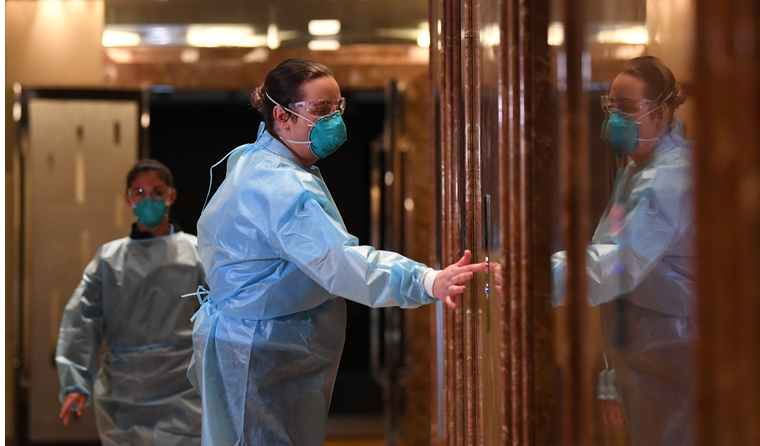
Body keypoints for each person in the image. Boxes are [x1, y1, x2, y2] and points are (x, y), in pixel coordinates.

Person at [188, 58, 486, 446]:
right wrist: (426, 280)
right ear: (282, 116)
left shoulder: (257, 159)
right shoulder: (281, 185)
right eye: (321, 109)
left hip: (250, 343)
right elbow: (338, 261)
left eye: (338, 107)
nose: (334, 120)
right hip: (260, 352)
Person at [551, 56, 695, 446]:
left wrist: (535, 279)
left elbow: (618, 263)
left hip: (676, 358)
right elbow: (614, 268)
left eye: (627, 108)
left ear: (660, 112)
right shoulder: (633, 173)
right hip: (646, 361)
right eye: (611, 106)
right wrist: (613, 381)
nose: (616, 118)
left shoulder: (671, 177)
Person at [56, 159, 205, 446]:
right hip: (124, 396)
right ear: (128, 199)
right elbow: (82, 322)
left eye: (157, 192)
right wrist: (75, 381)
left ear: (171, 195)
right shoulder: (109, 260)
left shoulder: (197, 252)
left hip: (185, 390)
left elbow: (224, 318)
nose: (149, 200)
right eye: (139, 193)